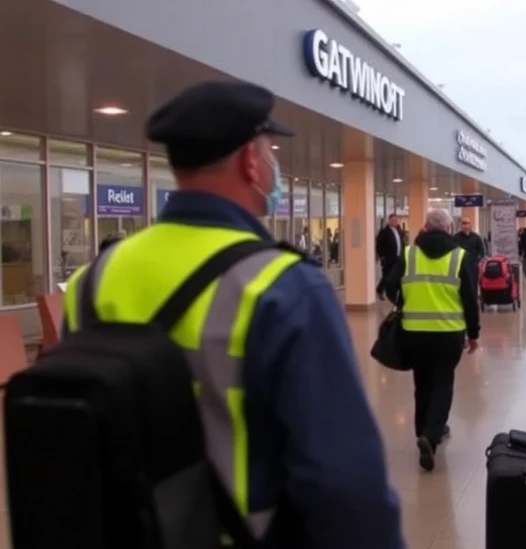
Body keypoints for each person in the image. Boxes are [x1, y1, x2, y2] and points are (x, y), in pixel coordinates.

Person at [60, 81, 403, 547]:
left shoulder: (92, 281)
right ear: (249, 161)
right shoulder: (284, 287)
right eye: (270, 153)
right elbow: (343, 484)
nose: (273, 166)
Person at [382, 209, 480, 472]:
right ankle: (432, 434)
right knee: (443, 382)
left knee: (422, 383)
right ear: (449, 228)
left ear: (425, 228)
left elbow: (390, 287)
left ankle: (421, 431)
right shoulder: (459, 256)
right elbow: (470, 299)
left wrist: (404, 302)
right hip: (448, 333)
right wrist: (474, 334)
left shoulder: (409, 254)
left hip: (414, 331)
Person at [375, 214, 405, 299]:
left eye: (396, 220)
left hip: (398, 258)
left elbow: (402, 243)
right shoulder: (384, 232)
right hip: (388, 259)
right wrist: (382, 257)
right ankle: (380, 290)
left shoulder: (399, 231)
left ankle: (396, 292)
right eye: (393, 220)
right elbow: (379, 245)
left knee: (398, 276)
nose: (395, 222)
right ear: (389, 221)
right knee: (387, 276)